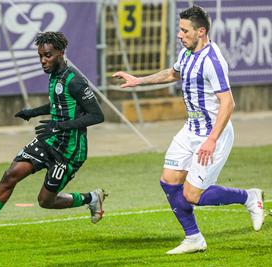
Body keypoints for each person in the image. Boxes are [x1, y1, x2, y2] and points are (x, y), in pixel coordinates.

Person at [113, 5, 264, 254]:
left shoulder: (213, 61)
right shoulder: (187, 52)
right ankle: (193, 238)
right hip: (190, 130)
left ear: (201, 31)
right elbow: (173, 73)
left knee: (193, 195)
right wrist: (139, 80)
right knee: (169, 182)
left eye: (185, 30)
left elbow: (228, 103)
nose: (180, 35)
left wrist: (212, 140)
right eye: (180, 29)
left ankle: (249, 197)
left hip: (213, 134)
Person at [0, 31, 106, 245]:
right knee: (10, 175)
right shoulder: (55, 75)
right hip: (49, 140)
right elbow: (59, 103)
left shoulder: (75, 81)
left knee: (45, 201)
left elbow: (97, 115)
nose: (43, 61)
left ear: (61, 53)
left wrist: (59, 125)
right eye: (40, 56)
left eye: (48, 55)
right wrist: (34, 112)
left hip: (69, 151)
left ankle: (91, 198)